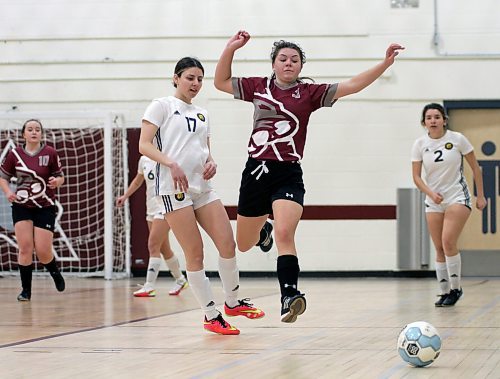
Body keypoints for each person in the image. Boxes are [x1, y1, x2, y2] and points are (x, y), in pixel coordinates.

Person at [214, 30, 404, 323]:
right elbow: (221, 82)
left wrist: (385, 64)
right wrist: (231, 49)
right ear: (274, 64)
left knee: (286, 234)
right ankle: (261, 229)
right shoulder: (258, 87)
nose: (289, 63)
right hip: (256, 170)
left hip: (288, 172)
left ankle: (289, 296)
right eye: (283, 59)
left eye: (294, 60)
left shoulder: (309, 93)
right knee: (244, 244)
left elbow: (352, 85)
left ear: (301, 66)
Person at [139, 57, 265, 335]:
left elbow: (205, 151)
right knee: (195, 253)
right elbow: (144, 145)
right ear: (176, 78)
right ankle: (210, 314)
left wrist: (212, 163)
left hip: (202, 188)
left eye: (199, 79)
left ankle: (232, 302)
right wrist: (170, 163)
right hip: (174, 190)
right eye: (189, 78)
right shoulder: (161, 106)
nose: (195, 83)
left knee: (228, 244)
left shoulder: (202, 113)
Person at [411, 103, 486, 307]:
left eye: (437, 116)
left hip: (457, 197)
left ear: (444, 120)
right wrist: (430, 193)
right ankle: (444, 292)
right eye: (429, 117)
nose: (433, 120)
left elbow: (476, 169)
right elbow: (416, 177)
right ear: (424, 122)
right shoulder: (419, 144)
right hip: (433, 201)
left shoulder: (457, 139)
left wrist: (480, 196)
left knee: (448, 242)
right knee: (439, 247)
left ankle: (456, 288)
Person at [0, 119, 65, 301]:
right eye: (30, 129)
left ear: (41, 134)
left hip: (44, 206)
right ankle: (26, 291)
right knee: (25, 248)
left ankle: (54, 272)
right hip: (22, 206)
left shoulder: (50, 153)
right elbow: (2, 177)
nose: (34, 132)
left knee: (43, 251)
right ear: (24, 134)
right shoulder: (14, 154)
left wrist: (57, 182)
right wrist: (7, 192)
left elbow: (61, 177)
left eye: (37, 129)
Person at [116, 155, 188, 297]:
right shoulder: (143, 159)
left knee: (153, 245)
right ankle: (180, 279)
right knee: (163, 248)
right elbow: (138, 181)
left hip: (165, 207)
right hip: (151, 209)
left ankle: (149, 286)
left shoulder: (169, 156)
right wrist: (125, 196)